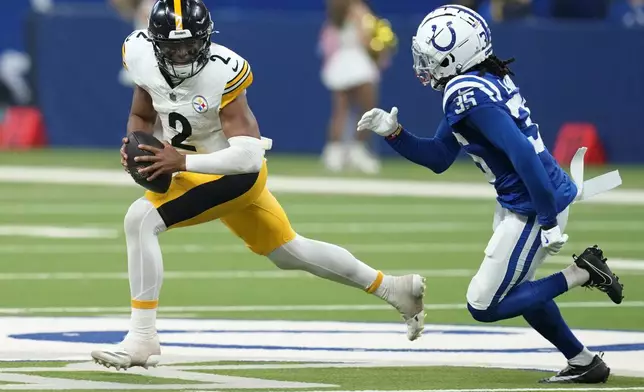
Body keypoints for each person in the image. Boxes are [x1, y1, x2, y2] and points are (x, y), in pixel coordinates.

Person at [90, 0, 426, 370]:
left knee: (140, 219)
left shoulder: (223, 72)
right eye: (173, 48)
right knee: (288, 251)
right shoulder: (140, 55)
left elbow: (249, 157)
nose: (184, 55)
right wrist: (138, 147)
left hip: (234, 174)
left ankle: (142, 339)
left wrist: (181, 160)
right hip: (190, 166)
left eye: (191, 45)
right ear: (154, 44)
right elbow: (141, 114)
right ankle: (393, 288)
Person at [357, 4, 624, 384]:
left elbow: (521, 153)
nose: (424, 65)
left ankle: (583, 271)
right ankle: (583, 361)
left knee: (482, 304)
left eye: (431, 58)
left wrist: (547, 218)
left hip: (534, 204)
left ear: (453, 57)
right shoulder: (476, 82)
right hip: (529, 199)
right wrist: (394, 134)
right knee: (519, 290)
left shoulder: (466, 93)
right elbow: (439, 157)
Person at [319, 0, 395, 174]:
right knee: (367, 109)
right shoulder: (357, 8)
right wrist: (380, 47)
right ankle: (356, 150)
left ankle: (335, 153)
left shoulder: (335, 10)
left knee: (340, 110)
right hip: (357, 62)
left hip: (341, 61)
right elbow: (365, 38)